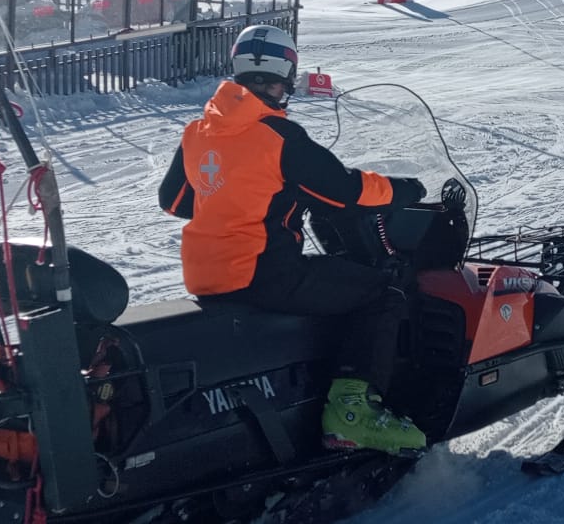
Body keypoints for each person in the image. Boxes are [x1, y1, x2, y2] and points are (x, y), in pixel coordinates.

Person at [160, 26, 429, 455]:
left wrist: (234, 199)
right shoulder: (278, 137)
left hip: (205, 277)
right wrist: (406, 190)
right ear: (286, 75)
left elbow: (173, 201)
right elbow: (345, 191)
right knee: (384, 291)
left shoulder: (198, 131)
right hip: (265, 273)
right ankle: (352, 413)